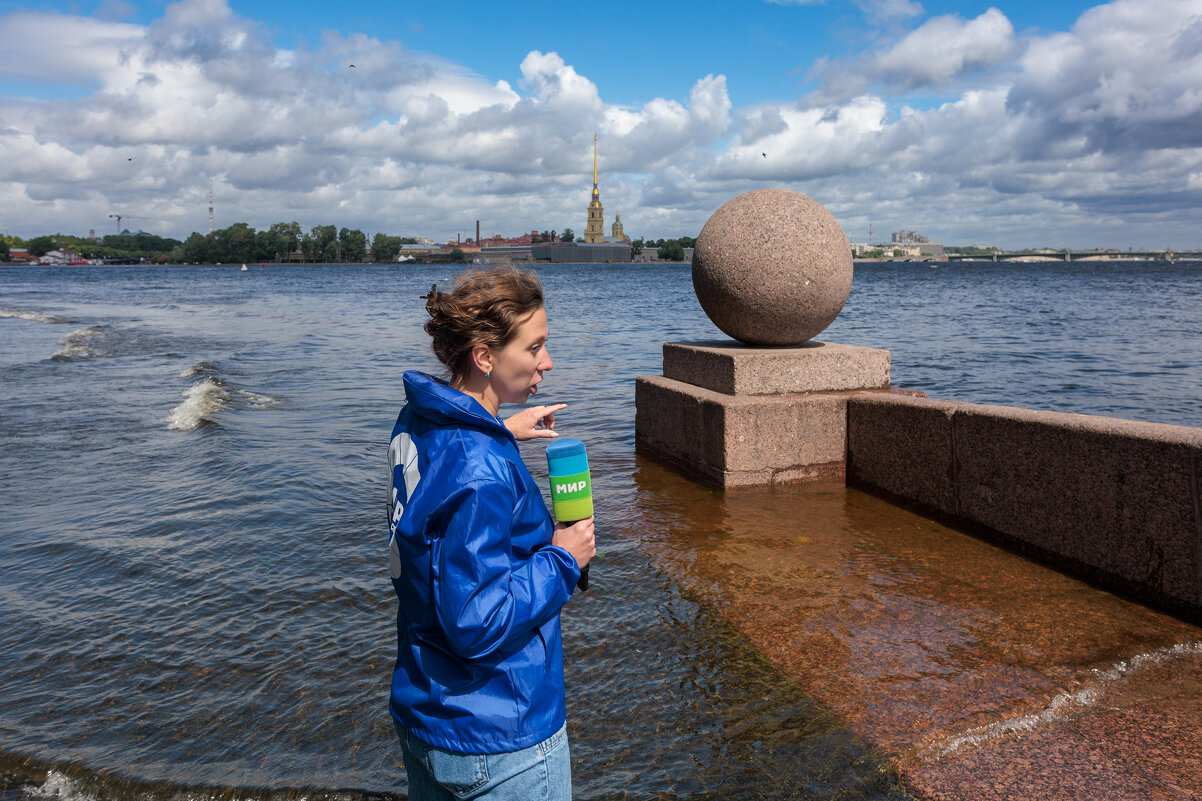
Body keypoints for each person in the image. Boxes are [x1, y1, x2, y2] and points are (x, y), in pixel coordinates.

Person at [386, 266, 596, 801]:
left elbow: (441, 502)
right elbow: (478, 621)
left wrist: (499, 429)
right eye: (534, 348)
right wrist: (564, 559)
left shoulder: (421, 419)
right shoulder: (479, 470)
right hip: (500, 735)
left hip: (428, 709)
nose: (546, 362)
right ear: (485, 357)